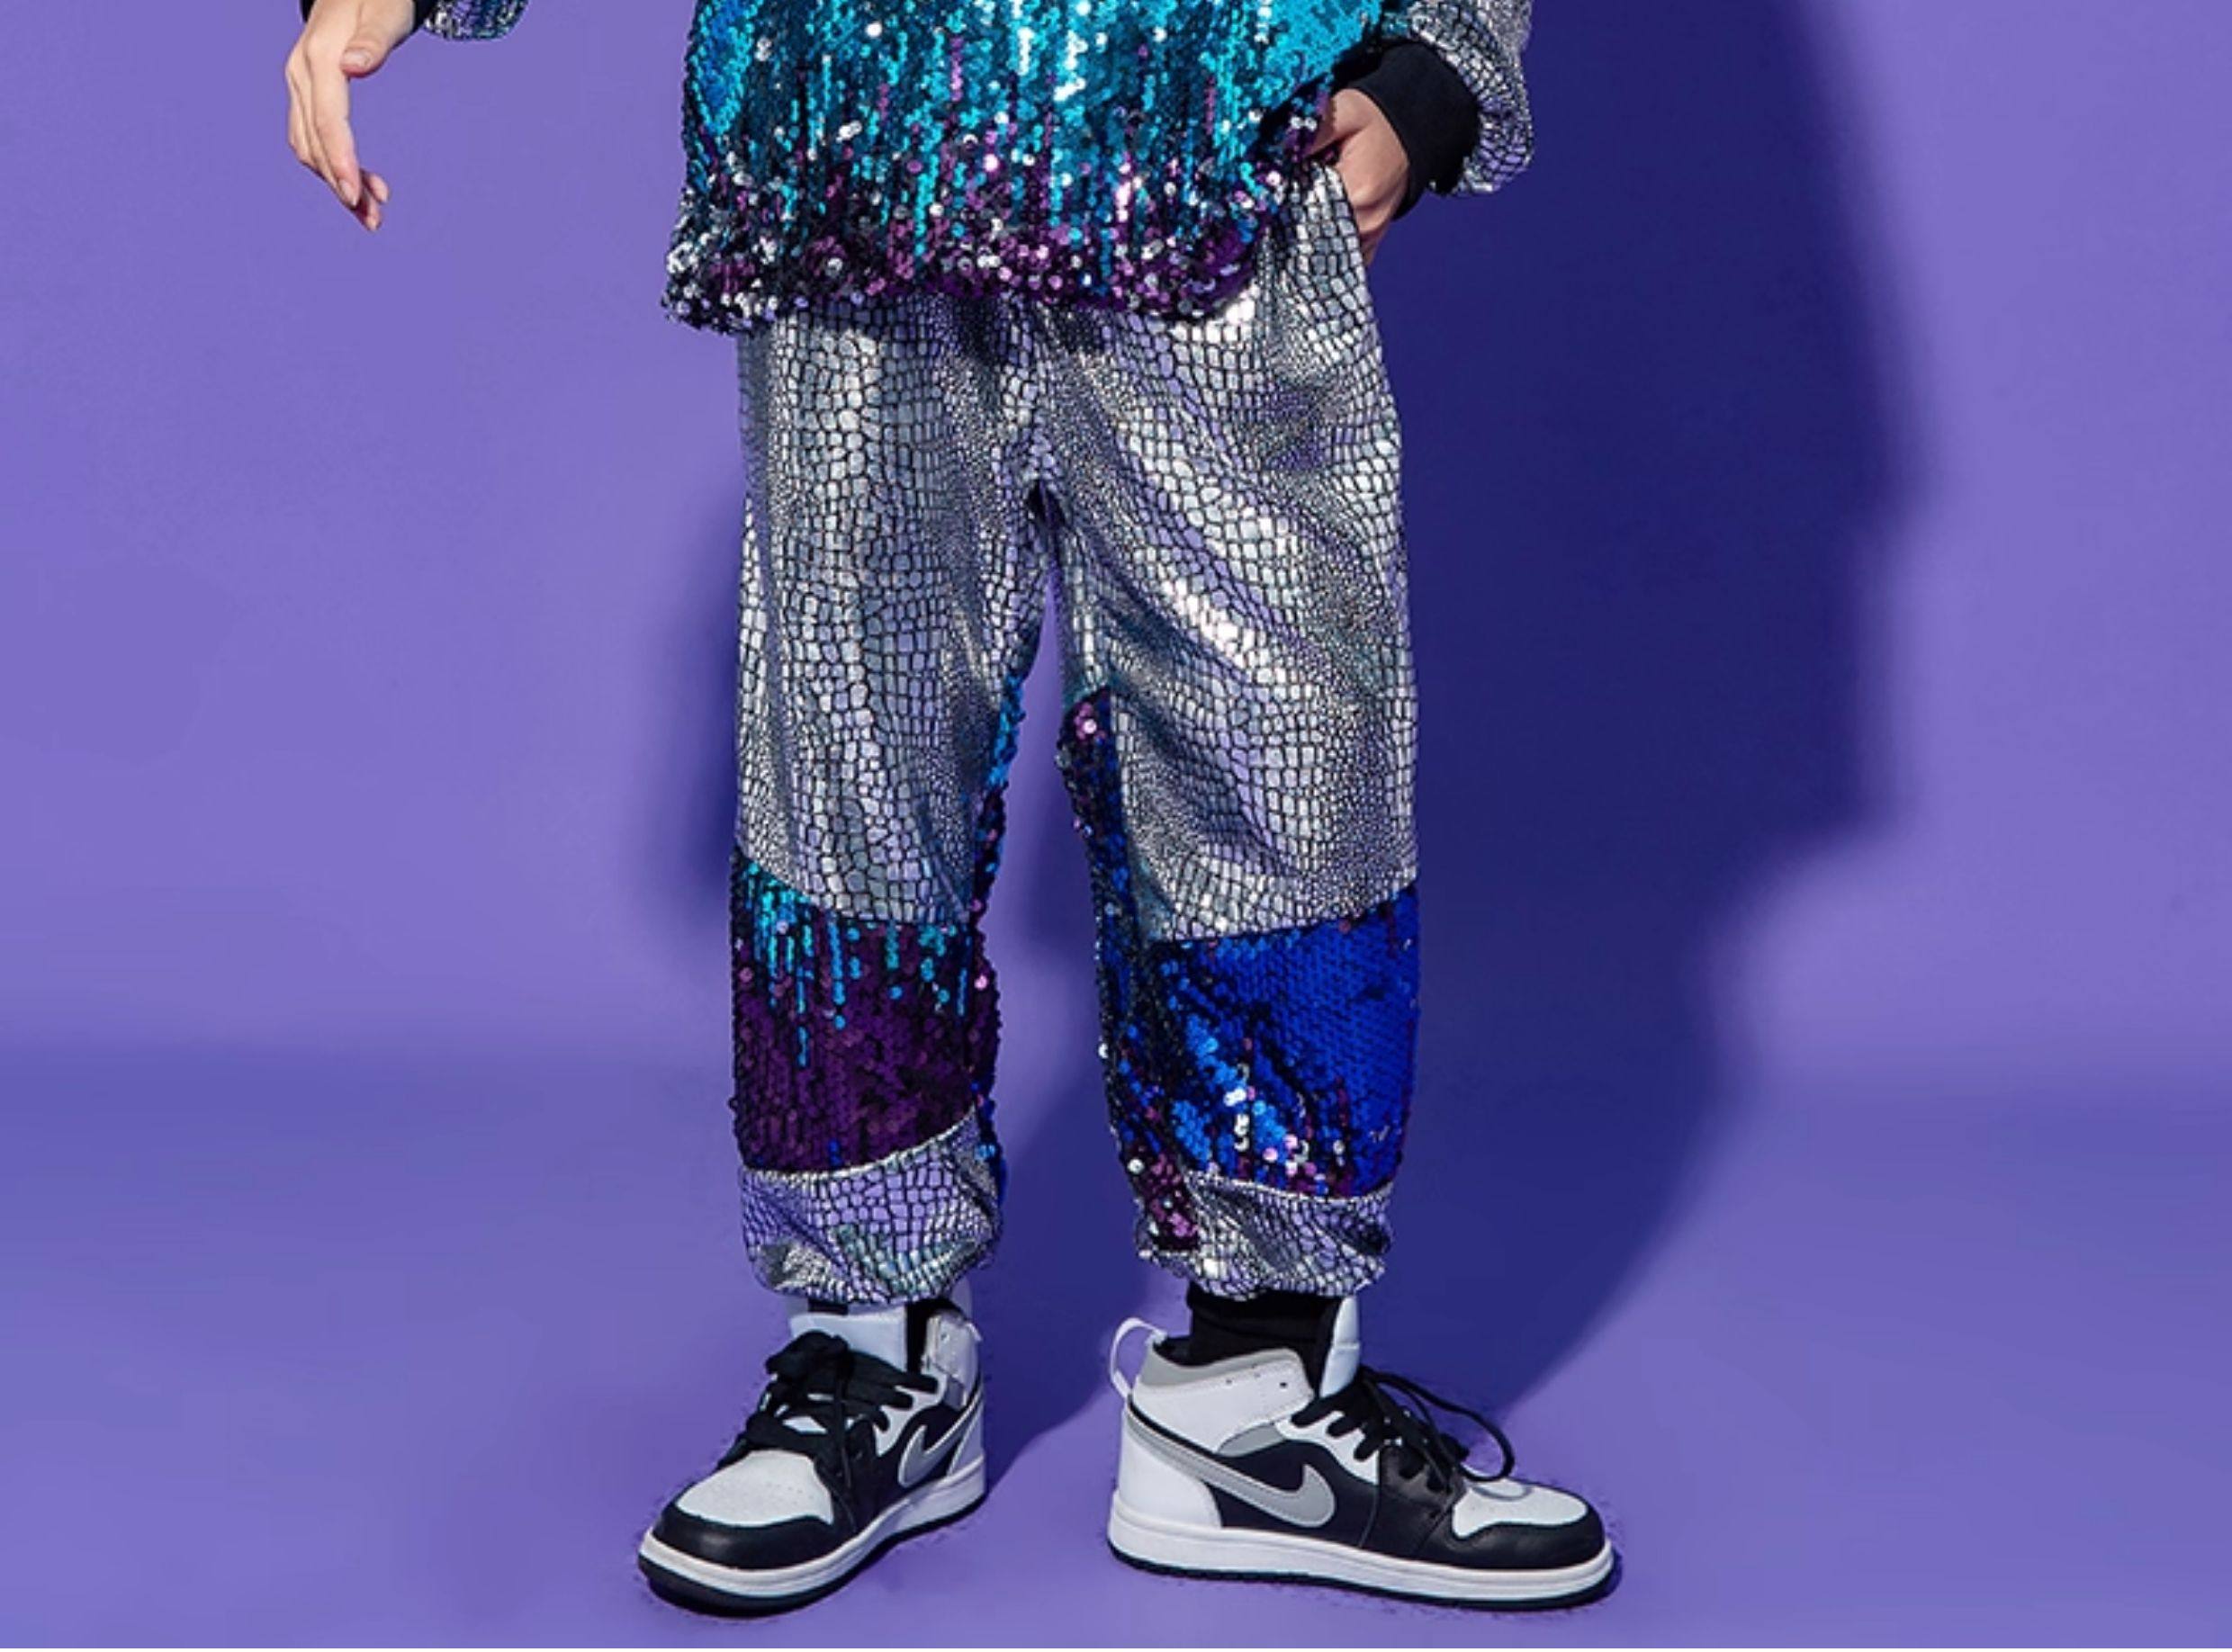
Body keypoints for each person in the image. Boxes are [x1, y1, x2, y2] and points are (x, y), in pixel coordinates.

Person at [284, 0, 1613, 1615]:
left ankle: (1261, 1389)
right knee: (852, 764)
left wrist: (1429, 72)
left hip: (1220, 135)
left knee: (1285, 759)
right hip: (859, 141)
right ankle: (874, 1350)